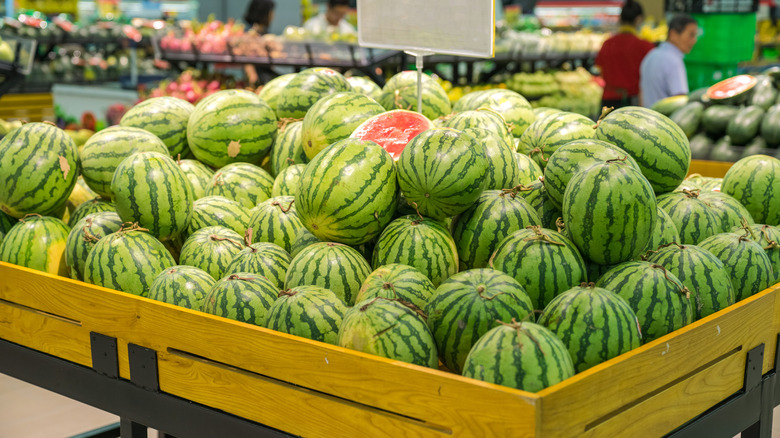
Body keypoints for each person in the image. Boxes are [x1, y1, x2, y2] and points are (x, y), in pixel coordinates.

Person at [595, 0, 655, 109]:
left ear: (620, 19)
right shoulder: (645, 46)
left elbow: (600, 71)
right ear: (639, 19)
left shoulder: (607, 44)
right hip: (633, 101)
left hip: (608, 101)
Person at [640, 15, 699, 108]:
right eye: (691, 35)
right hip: (664, 120)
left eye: (695, 36)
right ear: (673, 34)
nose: (694, 40)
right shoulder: (674, 61)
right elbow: (680, 101)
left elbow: (641, 95)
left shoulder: (651, 55)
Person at [243, 0, 275, 86]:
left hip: (265, 79)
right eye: (271, 12)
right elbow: (247, 61)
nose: (273, 16)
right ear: (265, 13)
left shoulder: (263, 32)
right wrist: (253, 81)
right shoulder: (251, 34)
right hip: (260, 81)